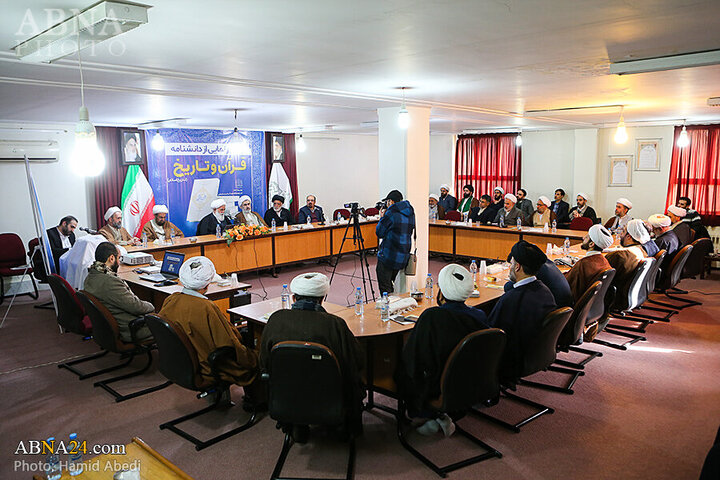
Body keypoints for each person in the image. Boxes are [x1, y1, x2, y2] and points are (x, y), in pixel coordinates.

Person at [260, 272, 364, 435]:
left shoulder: (276, 320)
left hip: (287, 397)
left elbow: (264, 362)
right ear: (324, 297)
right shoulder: (335, 324)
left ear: (294, 298)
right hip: (329, 397)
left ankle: (298, 423)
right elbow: (356, 361)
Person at [395, 264, 488, 437]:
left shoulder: (432, 318)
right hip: (470, 381)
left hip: (439, 386)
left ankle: (425, 413)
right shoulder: (479, 316)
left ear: (442, 292)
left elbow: (413, 358)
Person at [159, 256, 262, 407]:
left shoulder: (171, 299)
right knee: (256, 353)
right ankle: (256, 401)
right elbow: (229, 342)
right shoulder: (206, 307)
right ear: (207, 284)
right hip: (208, 365)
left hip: (182, 362)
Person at [487, 241, 557, 381]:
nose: (510, 267)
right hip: (536, 353)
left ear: (517, 267)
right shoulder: (545, 290)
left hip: (513, 359)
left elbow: (489, 334)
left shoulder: (511, 300)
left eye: (511, 263)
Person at [83, 242, 153, 343]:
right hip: (130, 329)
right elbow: (136, 307)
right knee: (171, 322)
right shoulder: (110, 282)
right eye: (119, 258)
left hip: (108, 327)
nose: (119, 262)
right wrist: (153, 306)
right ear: (111, 258)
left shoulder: (90, 276)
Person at [375, 190, 415, 295]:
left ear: (391, 201)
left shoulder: (391, 212)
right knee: (390, 283)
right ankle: (392, 301)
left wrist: (382, 218)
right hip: (402, 255)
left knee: (385, 287)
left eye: (387, 202)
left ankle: (388, 306)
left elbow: (379, 232)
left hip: (389, 254)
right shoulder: (410, 211)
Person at [564, 224, 613, 301]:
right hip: (592, 305)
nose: (583, 238)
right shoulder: (604, 261)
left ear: (591, 244)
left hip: (574, 304)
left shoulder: (583, 264)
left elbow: (564, 283)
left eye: (586, 237)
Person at [504, 259, 574, 308]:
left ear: (518, 266)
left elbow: (508, 287)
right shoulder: (549, 265)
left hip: (555, 312)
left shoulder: (536, 270)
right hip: (561, 318)